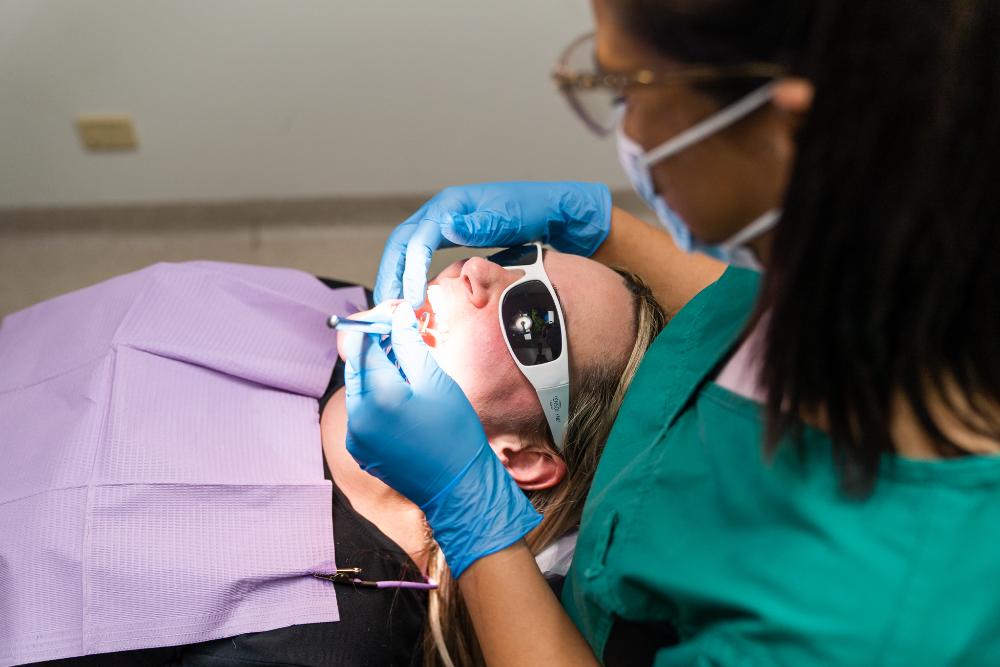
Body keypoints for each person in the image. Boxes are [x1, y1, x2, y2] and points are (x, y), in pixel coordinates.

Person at [344, 1, 1000, 665]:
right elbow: (735, 305)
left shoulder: (872, 626)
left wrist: (471, 512)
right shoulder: (871, 221)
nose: (624, 131)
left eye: (627, 89)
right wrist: (609, 232)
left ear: (790, 130)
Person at [0, 250, 663, 667]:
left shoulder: (329, 642)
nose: (481, 270)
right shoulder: (329, 305)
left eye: (533, 318)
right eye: (522, 255)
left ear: (519, 460)